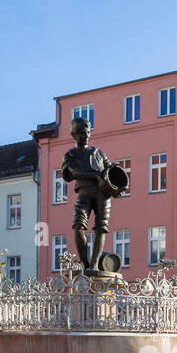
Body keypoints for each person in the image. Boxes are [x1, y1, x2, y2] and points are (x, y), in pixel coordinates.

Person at [61, 116, 116, 273]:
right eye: (82, 133)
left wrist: (112, 174)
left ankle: (94, 264)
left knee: (101, 227)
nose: (86, 136)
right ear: (74, 134)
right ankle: (85, 264)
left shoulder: (98, 152)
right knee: (78, 226)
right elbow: (72, 171)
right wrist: (95, 176)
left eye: (87, 132)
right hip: (84, 193)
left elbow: (109, 168)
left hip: (102, 194)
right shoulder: (70, 155)